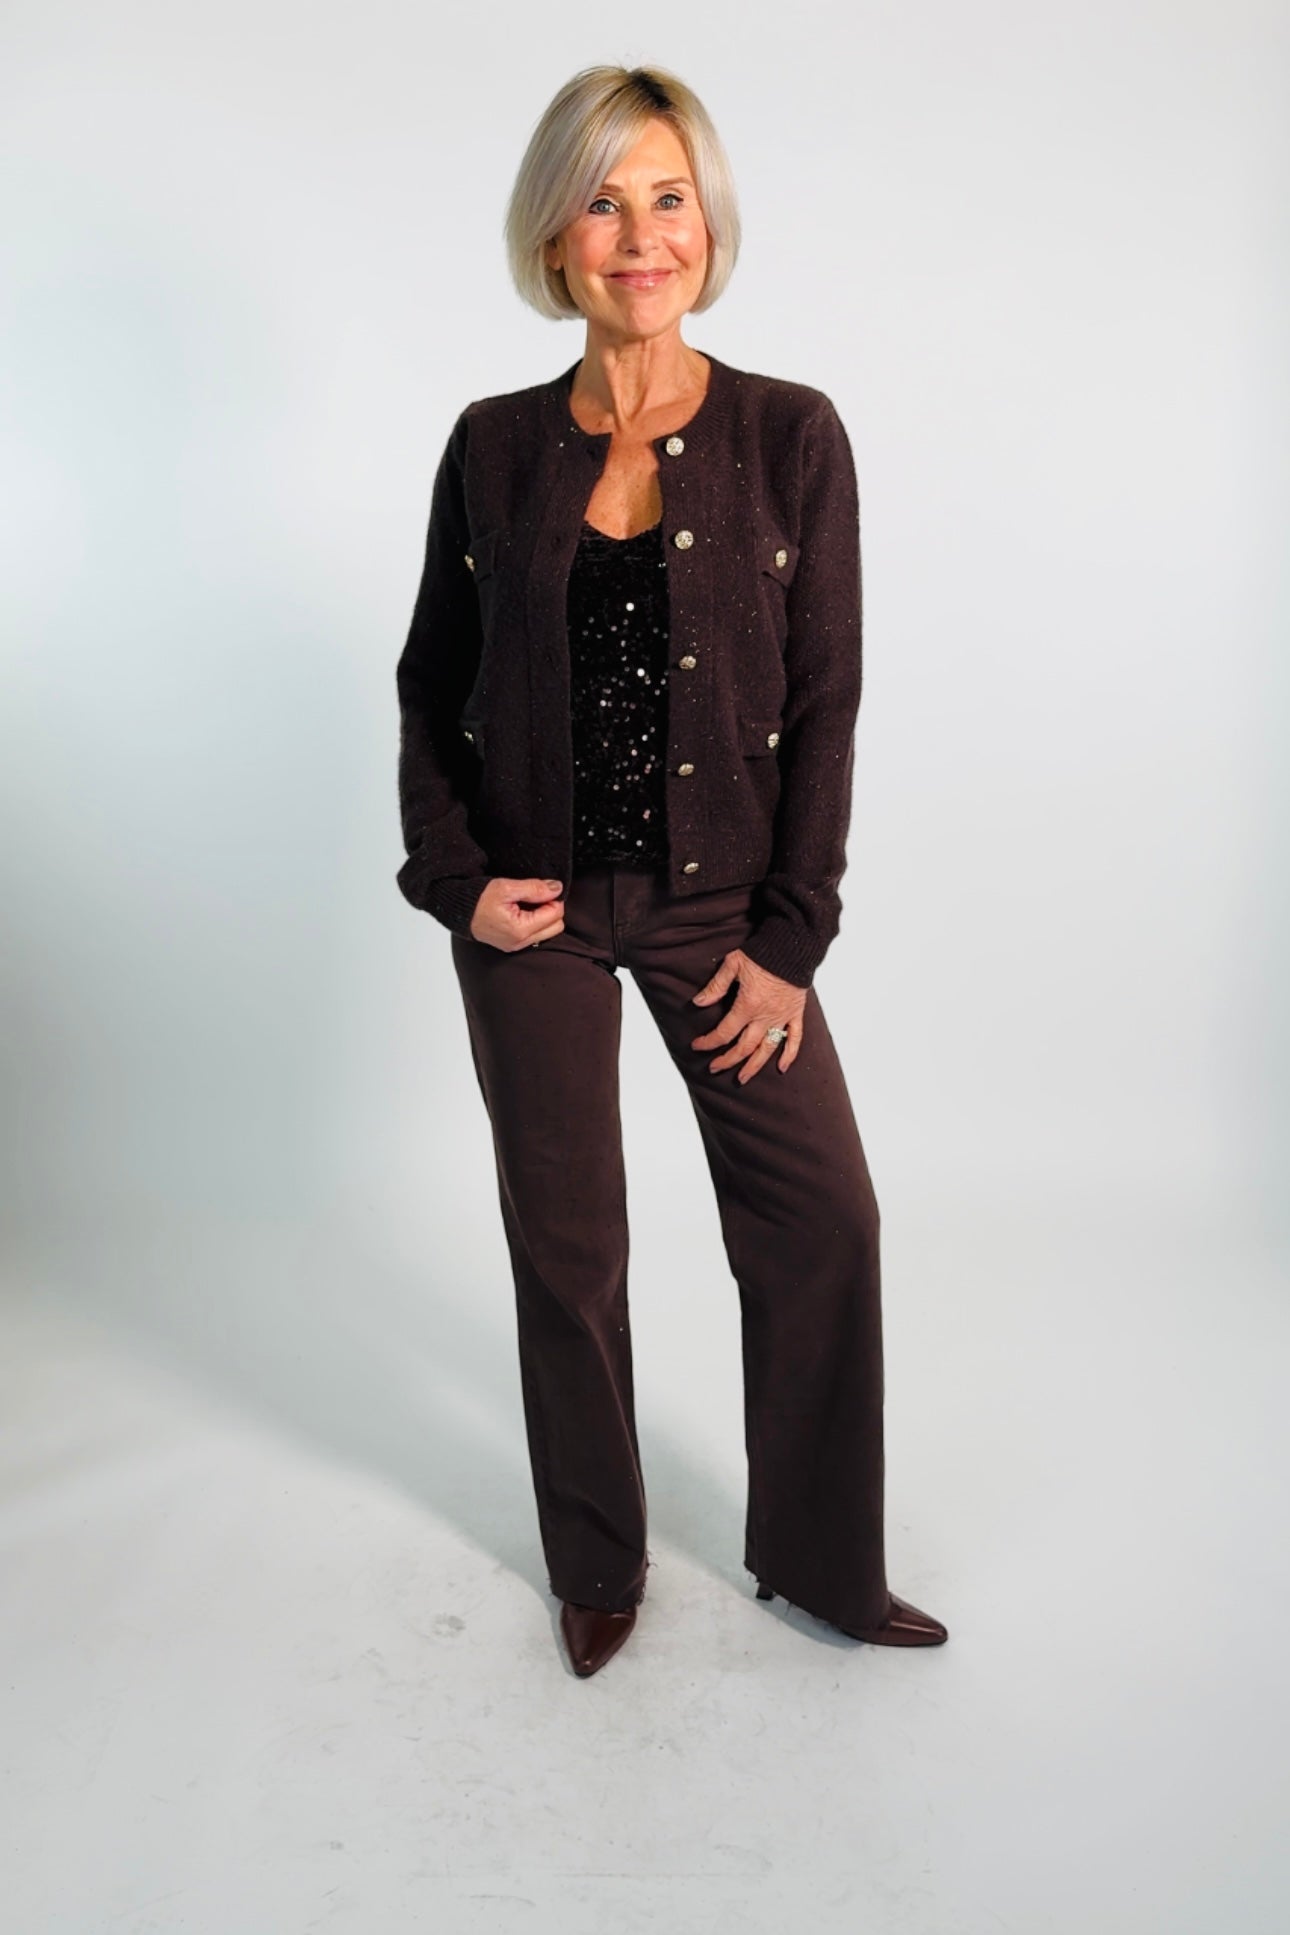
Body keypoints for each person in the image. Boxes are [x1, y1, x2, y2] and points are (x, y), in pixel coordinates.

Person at [394, 63, 948, 1678]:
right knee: (567, 1249)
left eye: (668, 197)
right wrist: (453, 878)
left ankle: (823, 1564)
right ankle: (596, 1564)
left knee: (820, 1219)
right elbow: (431, 683)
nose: (640, 236)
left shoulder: (789, 434)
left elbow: (827, 701)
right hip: (538, 916)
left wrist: (791, 939)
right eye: (602, 201)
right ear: (553, 238)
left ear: (706, 225)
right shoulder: (492, 446)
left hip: (723, 915)